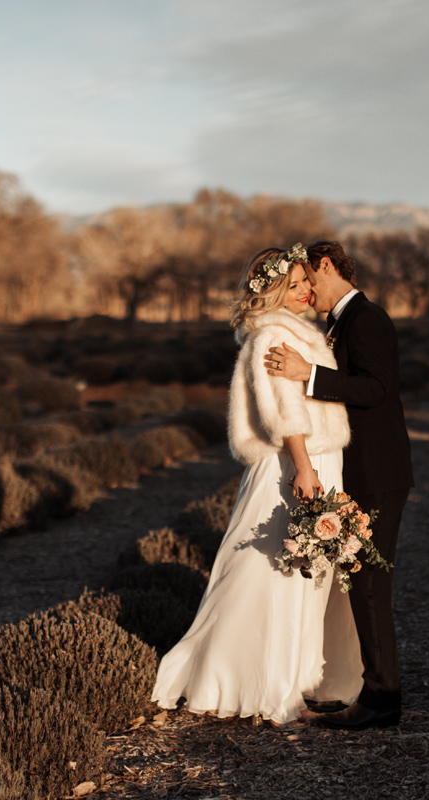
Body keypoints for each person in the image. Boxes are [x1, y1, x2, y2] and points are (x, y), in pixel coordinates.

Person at [151, 245, 363, 727]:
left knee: (304, 570)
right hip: (293, 464)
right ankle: (261, 682)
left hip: (316, 460)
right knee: (275, 570)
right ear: (271, 292)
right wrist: (306, 469)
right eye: (295, 285)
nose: (308, 290)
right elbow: (285, 413)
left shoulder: (296, 332)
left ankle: (299, 676)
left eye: (307, 281)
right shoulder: (271, 336)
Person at [265, 240, 413, 730]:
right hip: (363, 471)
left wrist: (309, 374)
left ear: (327, 266)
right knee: (361, 585)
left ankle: (382, 700)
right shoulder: (341, 321)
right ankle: (369, 690)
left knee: (371, 587)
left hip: (378, 472)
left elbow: (375, 388)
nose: (307, 289)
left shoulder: (367, 319)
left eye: (310, 278)